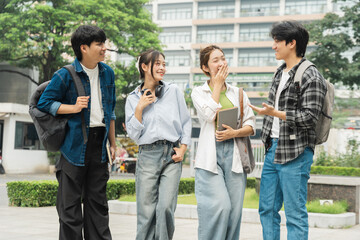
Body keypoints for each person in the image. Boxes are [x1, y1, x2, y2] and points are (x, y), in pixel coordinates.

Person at [249, 21, 327, 240]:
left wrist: (277, 114)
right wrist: (268, 114)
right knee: (266, 209)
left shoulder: (311, 75)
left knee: (294, 214)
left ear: (291, 43)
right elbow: (275, 112)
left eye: (277, 41)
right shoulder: (280, 72)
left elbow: (310, 118)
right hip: (274, 149)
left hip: (296, 153)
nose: (273, 46)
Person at [37, 25, 116, 240]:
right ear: (84, 47)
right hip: (73, 146)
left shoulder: (107, 73)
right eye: (99, 44)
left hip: (99, 146)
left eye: (103, 43)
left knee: (98, 207)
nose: (104, 48)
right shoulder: (65, 75)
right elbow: (44, 103)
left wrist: (113, 143)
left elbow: (110, 112)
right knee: (70, 210)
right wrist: (72, 107)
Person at [125, 49, 191, 240]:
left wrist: (183, 148)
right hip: (147, 155)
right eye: (157, 64)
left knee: (165, 208)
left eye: (164, 63)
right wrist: (139, 108)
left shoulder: (173, 91)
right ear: (145, 67)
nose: (162, 67)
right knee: (146, 213)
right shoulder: (133, 99)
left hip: (171, 154)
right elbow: (134, 135)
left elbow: (186, 122)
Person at [191, 45, 255, 240]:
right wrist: (217, 85)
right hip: (210, 158)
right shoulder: (198, 92)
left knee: (234, 214)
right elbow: (209, 115)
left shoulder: (238, 93)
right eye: (215, 60)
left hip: (234, 156)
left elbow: (251, 125)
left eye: (223, 58)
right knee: (220, 207)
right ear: (205, 68)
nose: (221, 63)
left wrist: (234, 133)